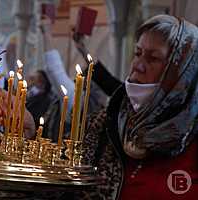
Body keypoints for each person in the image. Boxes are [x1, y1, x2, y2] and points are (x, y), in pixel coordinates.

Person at [80, 14, 198, 199]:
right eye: (137, 53)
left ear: (181, 72)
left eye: (152, 58)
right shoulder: (104, 125)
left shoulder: (192, 138)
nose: (137, 66)